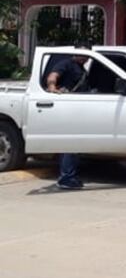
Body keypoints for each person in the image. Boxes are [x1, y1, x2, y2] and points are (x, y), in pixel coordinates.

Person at [46, 49, 90, 190]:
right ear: (76, 54)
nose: (85, 58)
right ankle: (66, 178)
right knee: (69, 145)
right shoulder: (66, 64)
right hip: (67, 107)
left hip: (77, 108)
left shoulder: (82, 68)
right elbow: (53, 76)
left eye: (87, 55)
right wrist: (52, 87)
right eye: (83, 54)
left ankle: (70, 176)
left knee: (74, 145)